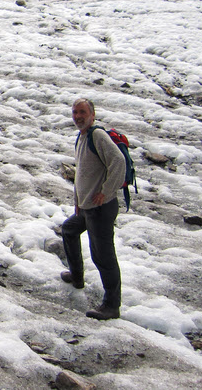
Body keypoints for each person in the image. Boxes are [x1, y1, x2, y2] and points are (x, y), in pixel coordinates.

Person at [61, 98, 125, 320]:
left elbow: (118, 162)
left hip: (100, 208)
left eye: (82, 112)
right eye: (75, 112)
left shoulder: (97, 136)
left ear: (92, 114)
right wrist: (78, 201)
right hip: (87, 206)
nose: (78, 116)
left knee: (103, 256)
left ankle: (111, 305)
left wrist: (106, 192)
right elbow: (82, 173)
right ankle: (77, 276)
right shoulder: (82, 136)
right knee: (69, 230)